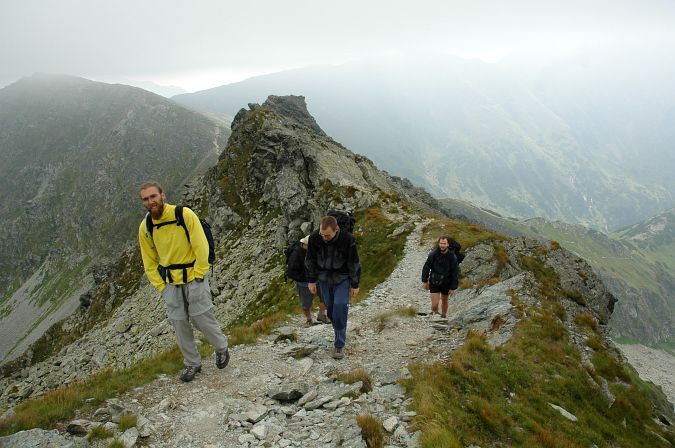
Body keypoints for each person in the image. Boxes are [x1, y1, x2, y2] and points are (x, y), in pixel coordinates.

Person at [138, 181, 230, 382]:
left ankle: (221, 347)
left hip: (194, 276)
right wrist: (161, 287)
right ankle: (192, 363)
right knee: (179, 324)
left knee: (201, 318)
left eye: (153, 196)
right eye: (146, 199)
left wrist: (199, 273)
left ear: (162, 195)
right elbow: (149, 261)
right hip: (170, 283)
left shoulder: (184, 214)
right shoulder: (146, 227)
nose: (151, 202)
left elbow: (201, 245)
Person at [305, 216, 361, 359]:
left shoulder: (347, 239)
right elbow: (310, 260)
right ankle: (338, 327)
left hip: (342, 279)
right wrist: (311, 281)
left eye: (327, 235)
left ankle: (339, 344)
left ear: (336, 229)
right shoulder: (314, 238)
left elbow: (354, 262)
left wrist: (355, 284)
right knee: (331, 311)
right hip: (323, 279)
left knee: (340, 307)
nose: (324, 238)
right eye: (322, 234)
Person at [287, 235, 330, 326]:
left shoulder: (314, 251)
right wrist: (306, 279)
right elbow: (291, 272)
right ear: (305, 244)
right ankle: (309, 320)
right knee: (306, 303)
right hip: (304, 283)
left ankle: (322, 315)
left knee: (325, 297)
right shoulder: (296, 254)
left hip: (318, 279)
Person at [421, 236, 460, 318]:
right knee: (434, 305)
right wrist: (425, 281)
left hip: (446, 283)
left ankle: (443, 316)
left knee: (445, 300)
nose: (442, 245)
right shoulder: (433, 254)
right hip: (434, 282)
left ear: (448, 244)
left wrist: (453, 287)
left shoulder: (452, 257)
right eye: (441, 243)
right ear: (438, 244)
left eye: (444, 243)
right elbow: (427, 266)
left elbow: (455, 272)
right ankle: (435, 315)